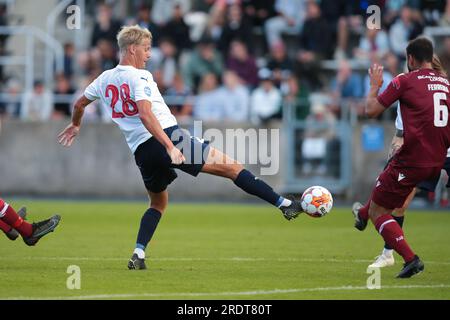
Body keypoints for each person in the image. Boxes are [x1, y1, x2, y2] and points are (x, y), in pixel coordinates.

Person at [58, 25, 303, 270]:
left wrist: (76, 125)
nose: (149, 54)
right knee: (233, 169)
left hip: (142, 153)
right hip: (168, 138)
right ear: (132, 49)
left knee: (157, 204)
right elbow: (145, 114)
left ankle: (139, 253)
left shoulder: (104, 78)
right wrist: (169, 146)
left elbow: (79, 104)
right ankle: (285, 205)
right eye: (146, 49)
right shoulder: (140, 76)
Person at [352, 37, 450, 278]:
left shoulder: (404, 80)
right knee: (383, 197)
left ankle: (409, 258)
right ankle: (363, 215)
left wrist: (374, 85)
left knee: (380, 211)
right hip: (439, 159)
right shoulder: (446, 84)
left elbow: (371, 111)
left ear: (410, 59)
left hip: (413, 159)